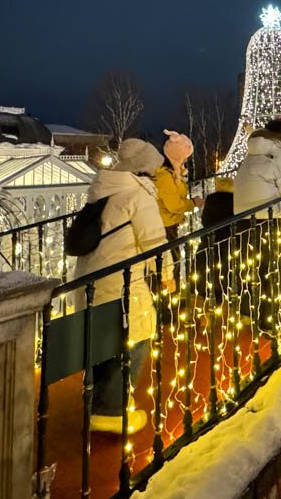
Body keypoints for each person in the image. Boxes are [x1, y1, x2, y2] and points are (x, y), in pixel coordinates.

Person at [74, 138, 173, 434]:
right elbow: (154, 241)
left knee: (101, 339)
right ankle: (111, 411)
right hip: (121, 279)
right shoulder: (138, 195)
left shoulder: (102, 190)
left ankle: (94, 401)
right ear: (144, 169)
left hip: (90, 279)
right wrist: (167, 273)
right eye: (154, 168)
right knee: (136, 336)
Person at [234, 119, 281, 335]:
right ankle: (272, 322)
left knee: (251, 266)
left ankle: (248, 313)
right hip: (267, 218)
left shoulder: (251, 153)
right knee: (272, 270)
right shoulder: (279, 154)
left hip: (243, 218)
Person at [195, 177, 236, 303]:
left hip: (209, 237)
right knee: (224, 266)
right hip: (227, 238)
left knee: (205, 263)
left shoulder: (211, 199)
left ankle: (203, 292)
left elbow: (205, 219)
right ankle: (223, 293)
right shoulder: (234, 199)